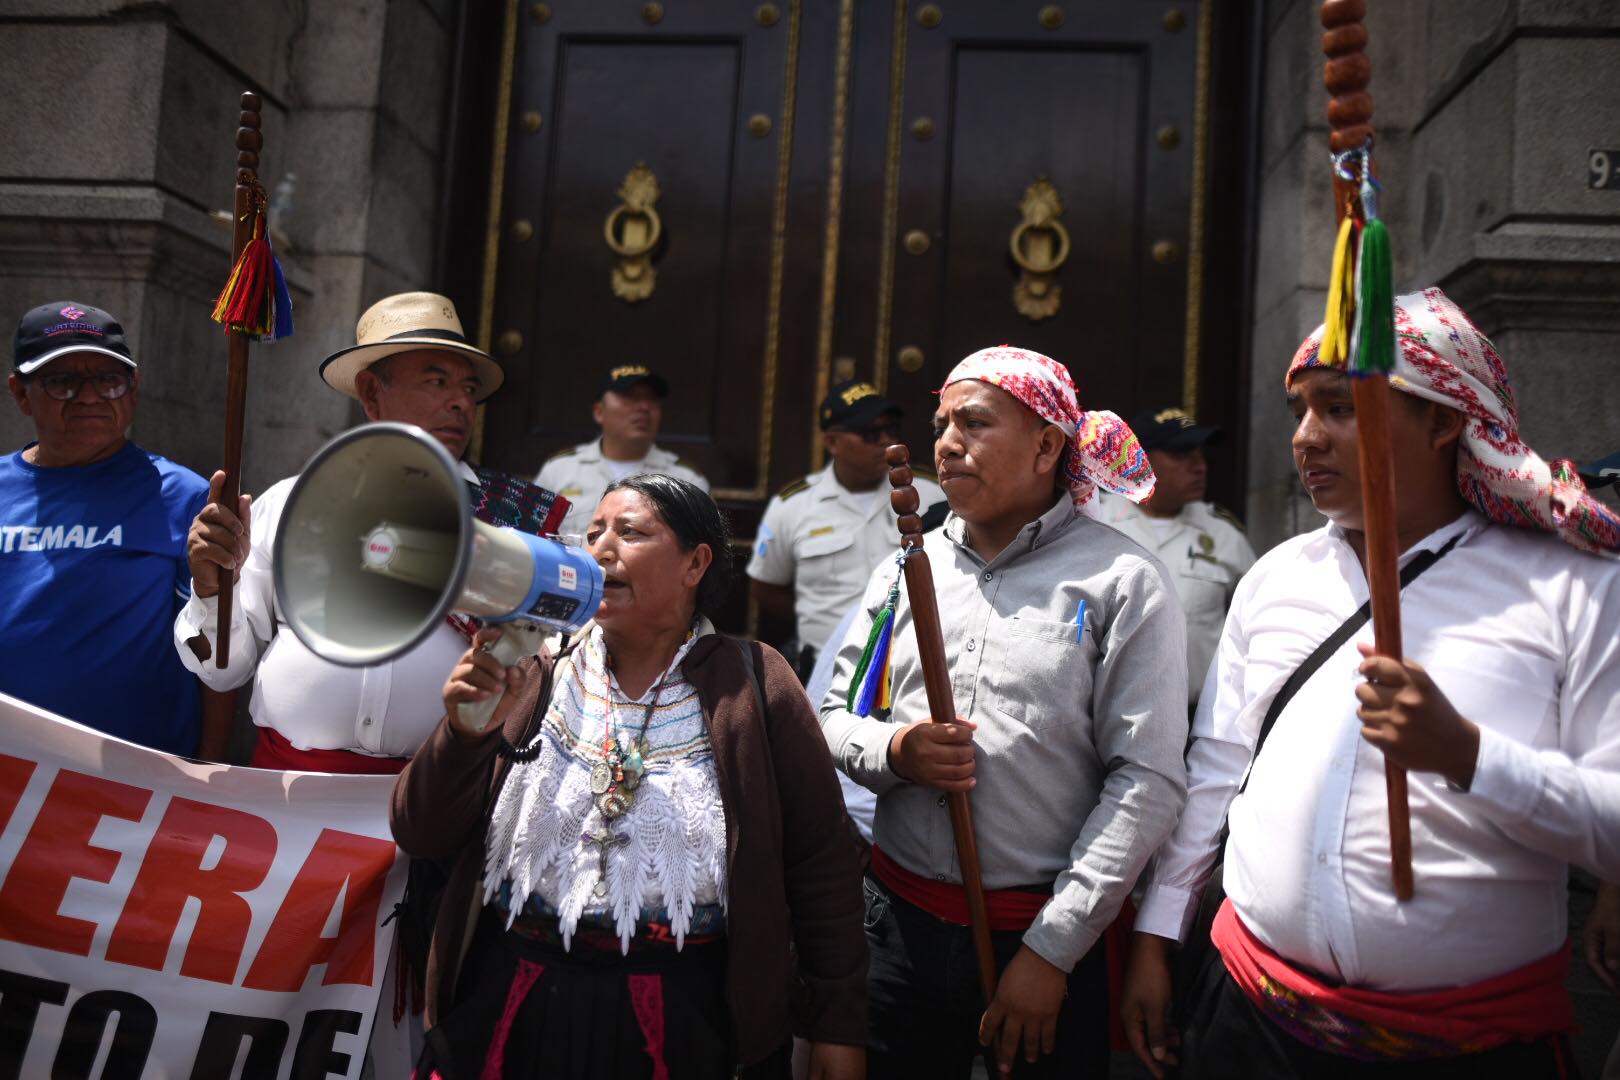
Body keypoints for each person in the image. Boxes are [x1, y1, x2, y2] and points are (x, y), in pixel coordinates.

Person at [1121, 287, 1620, 1080]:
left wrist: (1468, 756)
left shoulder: (1571, 590)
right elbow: (1216, 772)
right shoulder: (1276, 577)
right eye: (1299, 410)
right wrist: (1158, 934)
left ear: (1446, 419)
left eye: (1339, 410)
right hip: (1246, 1020)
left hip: (1469, 1050)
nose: (1305, 438)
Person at [392, 474, 867, 1079]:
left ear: (696, 564)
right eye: (592, 534)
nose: (600, 549)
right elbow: (420, 832)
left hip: (684, 1023)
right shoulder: (532, 667)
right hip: (513, 1002)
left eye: (630, 532)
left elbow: (820, 865)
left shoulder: (757, 683)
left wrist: (838, 1027)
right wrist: (462, 735)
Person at [821, 345, 1189, 1077]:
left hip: (1043, 939)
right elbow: (834, 715)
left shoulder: (1123, 581)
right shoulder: (904, 567)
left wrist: (1052, 952)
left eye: (975, 422)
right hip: (897, 927)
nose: (947, 443)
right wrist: (898, 752)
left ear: (1048, 444)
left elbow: (1147, 782)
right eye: (942, 424)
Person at [175, 290, 567, 773]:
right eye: (437, 381)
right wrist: (213, 591)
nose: (460, 403)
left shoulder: (509, 518)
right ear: (371, 393)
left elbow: (549, 669)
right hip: (288, 802)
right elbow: (221, 671)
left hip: (438, 799)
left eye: (468, 389)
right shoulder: (290, 504)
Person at [1, 301, 212, 756]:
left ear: (133, 389)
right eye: (63, 382)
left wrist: (211, 773)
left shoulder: (184, 497)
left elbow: (216, 649)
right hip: (11, 773)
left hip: (130, 787)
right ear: (20, 393)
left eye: (108, 380)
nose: (91, 397)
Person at [749, 380, 943, 678]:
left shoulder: (932, 493)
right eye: (870, 434)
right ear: (832, 442)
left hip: (913, 664)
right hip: (827, 666)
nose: (885, 441)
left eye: (891, 430)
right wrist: (824, 622)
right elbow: (766, 587)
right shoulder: (792, 505)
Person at [1098, 408, 1255, 707]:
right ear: (1139, 461)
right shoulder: (1097, 522)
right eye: (1182, 455)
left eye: (1200, 454)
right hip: (1108, 713)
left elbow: (1258, 621)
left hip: (1199, 716)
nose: (1199, 467)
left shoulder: (1224, 535)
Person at [536, 364, 708, 538]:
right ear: (599, 412)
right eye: (630, 397)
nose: (644, 407)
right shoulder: (559, 470)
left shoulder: (686, 480)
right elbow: (530, 539)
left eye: (652, 399)